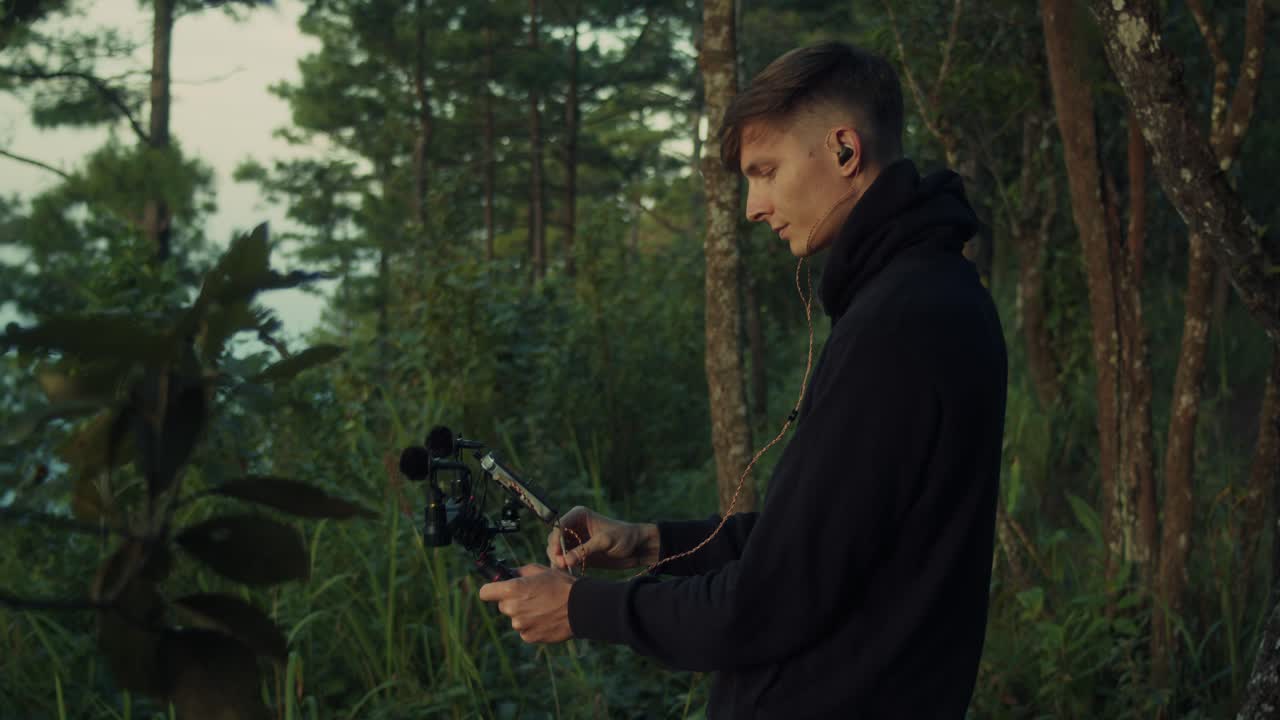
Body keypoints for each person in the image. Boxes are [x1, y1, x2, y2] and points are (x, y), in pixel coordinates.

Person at [478, 41, 1008, 718]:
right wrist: (649, 541)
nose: (753, 206)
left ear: (845, 150)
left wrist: (581, 608)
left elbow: (766, 604)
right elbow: (820, 542)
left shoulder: (898, 325)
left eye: (765, 171)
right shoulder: (929, 294)